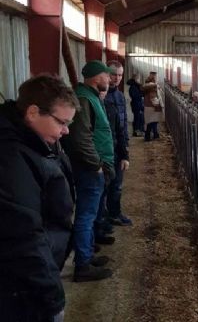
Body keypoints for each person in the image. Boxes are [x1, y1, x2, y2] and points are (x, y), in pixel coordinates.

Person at [0, 75, 79, 322]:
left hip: (31, 278)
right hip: (22, 289)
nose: (66, 131)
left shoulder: (35, 142)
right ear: (33, 113)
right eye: (62, 122)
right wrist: (51, 298)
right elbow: (24, 236)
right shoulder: (11, 158)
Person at [62, 60, 115, 282]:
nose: (110, 79)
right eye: (107, 75)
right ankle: (82, 265)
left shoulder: (90, 96)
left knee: (90, 213)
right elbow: (80, 138)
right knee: (85, 214)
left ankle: (87, 252)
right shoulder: (84, 98)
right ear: (96, 77)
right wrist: (97, 165)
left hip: (94, 167)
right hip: (90, 169)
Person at [104, 61, 132, 226]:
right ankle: (103, 218)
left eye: (120, 75)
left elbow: (123, 122)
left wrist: (125, 147)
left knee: (117, 184)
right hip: (106, 146)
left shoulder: (120, 96)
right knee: (104, 186)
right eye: (113, 74)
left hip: (118, 145)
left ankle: (115, 213)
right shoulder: (102, 96)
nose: (117, 78)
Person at [143, 71, 162, 141]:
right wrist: (157, 105)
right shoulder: (151, 85)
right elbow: (153, 96)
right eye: (156, 77)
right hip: (151, 106)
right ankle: (148, 136)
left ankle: (155, 134)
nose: (157, 78)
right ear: (153, 77)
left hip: (149, 105)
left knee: (153, 121)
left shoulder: (150, 84)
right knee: (151, 122)